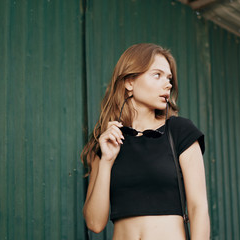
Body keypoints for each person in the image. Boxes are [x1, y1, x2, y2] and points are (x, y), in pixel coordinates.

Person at [81, 43, 210, 239]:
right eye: (157, 75)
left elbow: (198, 208)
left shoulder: (180, 131)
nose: (168, 84)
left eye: (169, 78)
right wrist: (106, 161)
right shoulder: (108, 139)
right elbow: (95, 224)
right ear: (129, 82)